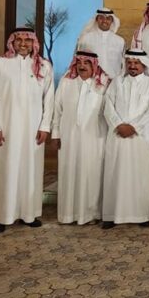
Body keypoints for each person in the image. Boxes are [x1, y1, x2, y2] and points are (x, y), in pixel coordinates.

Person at [0, 27, 54, 234]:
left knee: (31, 171)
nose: (23, 44)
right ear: (11, 43)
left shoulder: (44, 66)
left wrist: (45, 126)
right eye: (19, 40)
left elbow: (49, 98)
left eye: (27, 40)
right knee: (5, 170)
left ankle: (29, 214)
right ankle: (1, 217)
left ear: (34, 43)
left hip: (33, 130)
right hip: (6, 128)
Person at [101, 49, 149, 229]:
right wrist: (119, 125)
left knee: (141, 176)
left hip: (141, 139)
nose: (132, 66)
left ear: (144, 65)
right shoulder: (116, 82)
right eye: (130, 63)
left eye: (136, 63)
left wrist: (133, 127)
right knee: (115, 174)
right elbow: (108, 107)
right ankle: (111, 215)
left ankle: (141, 215)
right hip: (118, 135)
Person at [52, 50, 110, 225]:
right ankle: (67, 215)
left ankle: (90, 215)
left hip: (95, 138)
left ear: (94, 65)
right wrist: (55, 134)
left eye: (86, 63)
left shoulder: (103, 84)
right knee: (69, 173)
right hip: (68, 138)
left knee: (91, 175)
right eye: (79, 62)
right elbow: (57, 109)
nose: (82, 66)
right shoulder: (66, 82)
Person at [77, 7, 125, 79]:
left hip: (113, 81)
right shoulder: (86, 39)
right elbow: (78, 60)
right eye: (101, 18)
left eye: (108, 18)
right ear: (96, 19)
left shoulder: (120, 41)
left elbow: (124, 64)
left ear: (112, 21)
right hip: (92, 81)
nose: (104, 21)